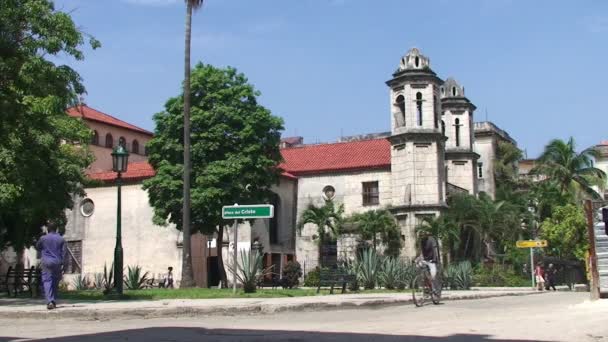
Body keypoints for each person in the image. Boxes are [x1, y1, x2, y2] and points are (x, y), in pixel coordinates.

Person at [35, 223, 65, 310]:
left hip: (46, 262)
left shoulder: (43, 238)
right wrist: (64, 264)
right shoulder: (61, 239)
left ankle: (50, 301)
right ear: (57, 229)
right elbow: (64, 253)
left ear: (47, 229)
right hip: (57, 262)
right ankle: (53, 300)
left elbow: (37, 246)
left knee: (47, 280)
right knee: (55, 281)